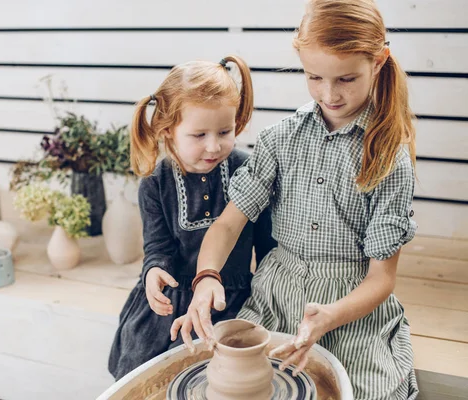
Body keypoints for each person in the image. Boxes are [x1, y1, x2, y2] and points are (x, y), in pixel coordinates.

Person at [170, 1, 419, 398]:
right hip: (275, 294)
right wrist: (206, 278)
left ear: (379, 61)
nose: (329, 93)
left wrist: (329, 317)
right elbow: (228, 224)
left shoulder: (389, 158)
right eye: (314, 76)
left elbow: (381, 279)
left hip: (350, 307)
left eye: (346, 79)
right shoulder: (281, 139)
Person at [108, 55, 277, 380]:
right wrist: (154, 271)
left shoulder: (247, 169)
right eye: (199, 135)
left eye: (225, 131)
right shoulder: (156, 182)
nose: (214, 146)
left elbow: (267, 246)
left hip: (232, 297)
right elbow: (158, 247)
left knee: (222, 375)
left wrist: (269, 295)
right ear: (168, 130)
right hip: (174, 301)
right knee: (147, 372)